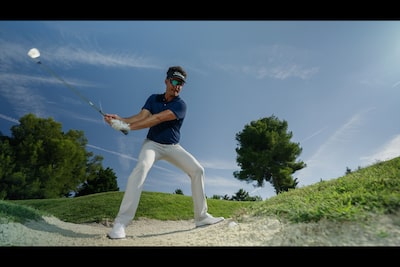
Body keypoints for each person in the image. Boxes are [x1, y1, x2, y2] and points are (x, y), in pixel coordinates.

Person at [104, 66, 224, 239]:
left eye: (181, 83)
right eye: (175, 81)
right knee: (142, 167)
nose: (177, 86)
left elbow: (156, 119)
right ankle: (121, 223)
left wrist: (125, 127)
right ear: (166, 81)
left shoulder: (180, 105)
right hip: (152, 145)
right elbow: (141, 117)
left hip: (172, 147)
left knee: (197, 170)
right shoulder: (153, 99)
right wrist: (119, 120)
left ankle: (202, 217)